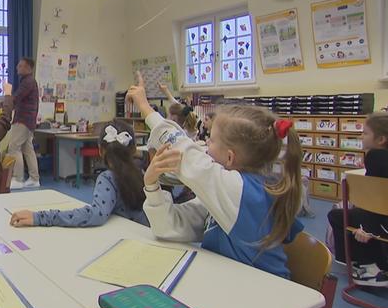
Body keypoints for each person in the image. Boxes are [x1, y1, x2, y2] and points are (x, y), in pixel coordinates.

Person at [125, 73, 303, 280]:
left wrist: (146, 109)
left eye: (211, 140)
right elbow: (169, 227)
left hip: (268, 295)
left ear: (229, 157)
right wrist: (152, 187)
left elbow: (188, 154)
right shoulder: (228, 194)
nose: (205, 145)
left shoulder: (241, 192)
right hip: (236, 286)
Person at [327, 112, 388, 288]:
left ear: (381, 139)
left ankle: (368, 267)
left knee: (338, 215)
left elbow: (372, 202)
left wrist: (364, 228)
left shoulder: (375, 157)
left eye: (365, 133)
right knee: (363, 216)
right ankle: (384, 262)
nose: (361, 136)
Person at [9, 120, 149, 228]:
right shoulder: (143, 173)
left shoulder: (108, 178)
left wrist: (40, 217)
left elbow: (96, 215)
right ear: (134, 149)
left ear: (100, 150)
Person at [9, 57, 40, 189]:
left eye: (20, 65)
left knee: (14, 147)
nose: (17, 67)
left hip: (23, 120)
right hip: (29, 121)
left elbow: (16, 98)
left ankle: (17, 179)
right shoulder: (28, 81)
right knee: (28, 149)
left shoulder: (28, 82)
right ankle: (34, 178)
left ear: (28, 68)